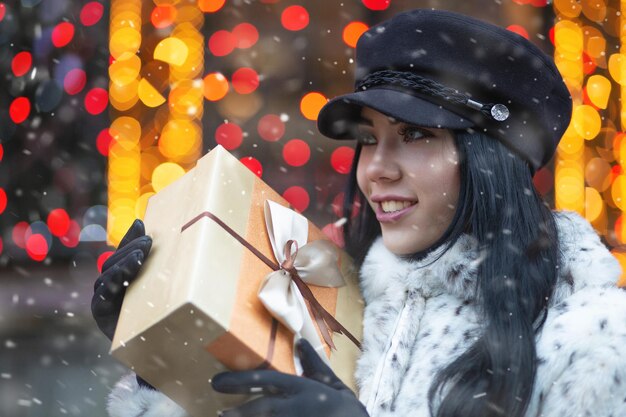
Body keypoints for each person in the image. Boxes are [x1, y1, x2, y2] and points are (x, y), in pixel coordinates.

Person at [93, 8, 626, 417]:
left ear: (493, 163)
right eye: (370, 140)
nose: (376, 170)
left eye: (415, 135)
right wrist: (160, 353)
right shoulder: (335, 301)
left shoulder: (595, 342)